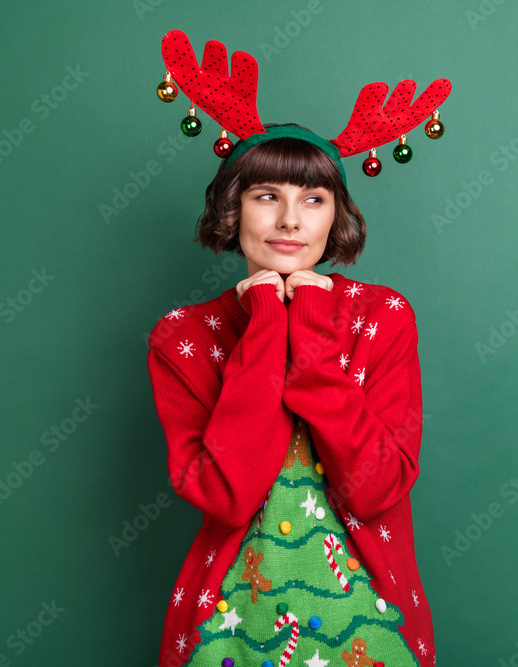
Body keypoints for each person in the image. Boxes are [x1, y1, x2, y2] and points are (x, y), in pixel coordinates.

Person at [146, 123, 434, 667]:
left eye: (313, 199)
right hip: (229, 632)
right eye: (266, 196)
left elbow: (375, 489)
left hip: (371, 627)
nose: (290, 220)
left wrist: (311, 340)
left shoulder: (384, 317)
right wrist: (264, 328)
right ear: (234, 208)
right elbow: (227, 498)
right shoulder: (182, 338)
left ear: (336, 215)